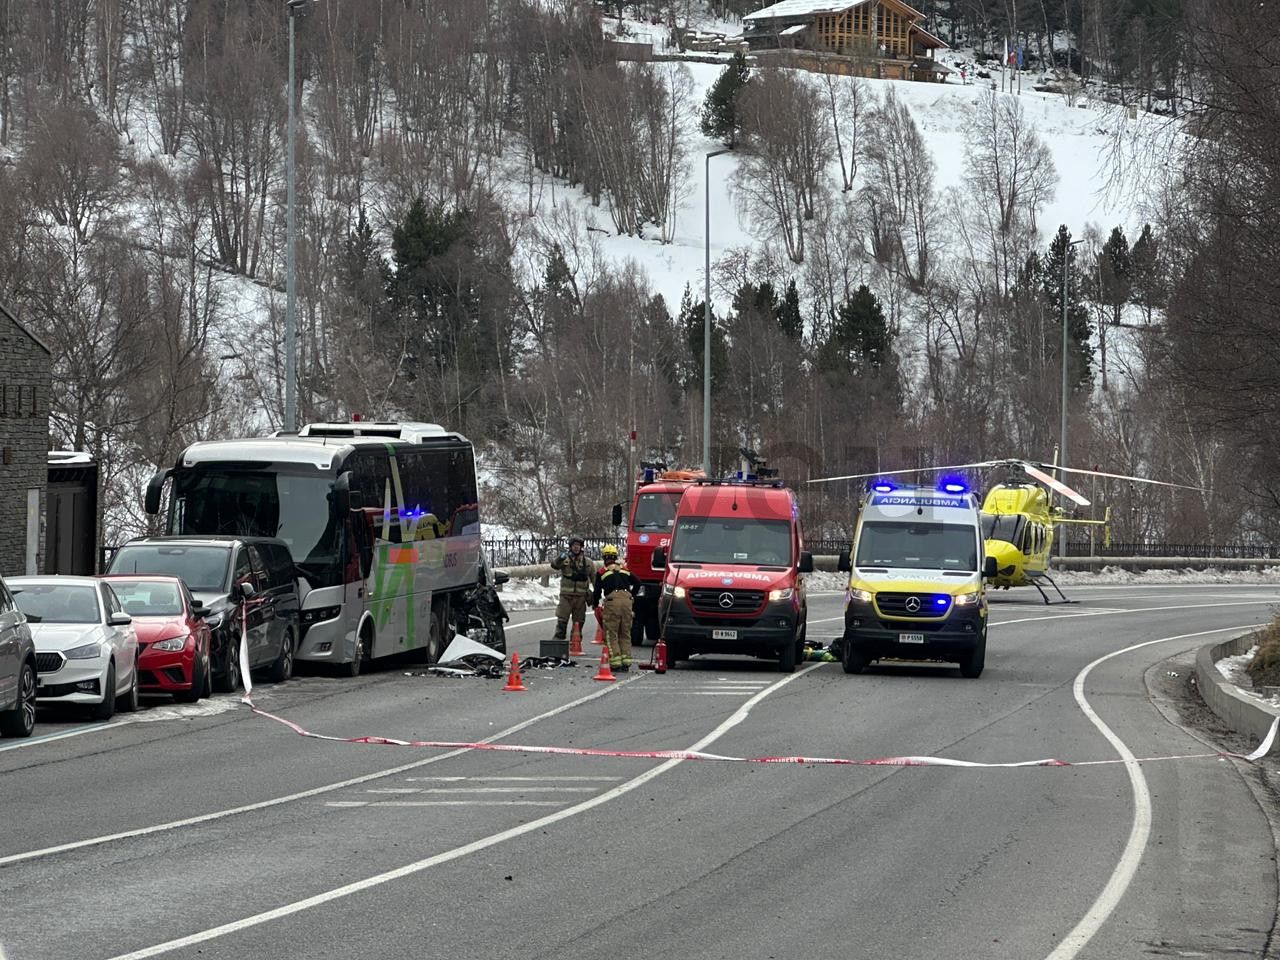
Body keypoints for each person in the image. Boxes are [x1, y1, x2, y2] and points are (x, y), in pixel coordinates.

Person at [591, 544, 640, 672]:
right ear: (615, 557)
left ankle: (615, 662)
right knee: (625, 632)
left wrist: (595, 604)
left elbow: (596, 592)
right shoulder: (624, 569)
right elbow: (638, 582)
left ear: (604, 557)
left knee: (611, 633)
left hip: (612, 603)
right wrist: (631, 595)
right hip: (627, 602)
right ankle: (626, 661)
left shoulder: (602, 572)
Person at [550, 537, 596, 641]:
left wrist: (596, 596)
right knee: (562, 619)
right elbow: (554, 565)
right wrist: (560, 558)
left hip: (581, 598)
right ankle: (558, 643)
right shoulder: (565, 560)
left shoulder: (588, 563)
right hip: (566, 596)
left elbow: (595, 579)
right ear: (570, 547)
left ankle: (575, 644)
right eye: (574, 545)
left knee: (579, 622)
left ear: (581, 547)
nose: (576, 548)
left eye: (578, 545)